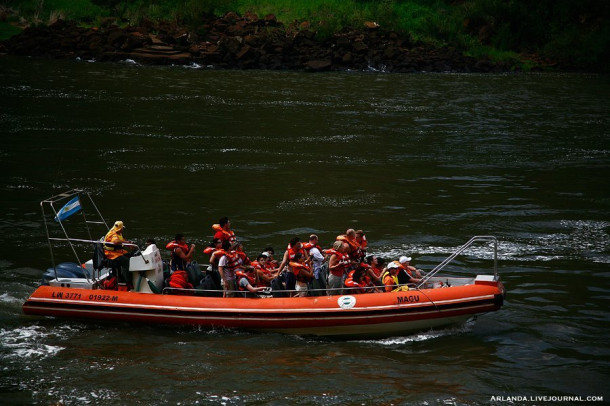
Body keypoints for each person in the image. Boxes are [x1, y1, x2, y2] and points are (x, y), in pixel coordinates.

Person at [103, 220, 133, 288]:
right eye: (122, 228)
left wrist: (129, 244)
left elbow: (122, 241)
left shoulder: (118, 233)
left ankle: (122, 276)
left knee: (130, 256)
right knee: (126, 262)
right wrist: (125, 242)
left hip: (117, 252)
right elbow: (115, 241)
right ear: (120, 228)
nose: (123, 229)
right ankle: (127, 281)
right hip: (111, 254)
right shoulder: (113, 234)